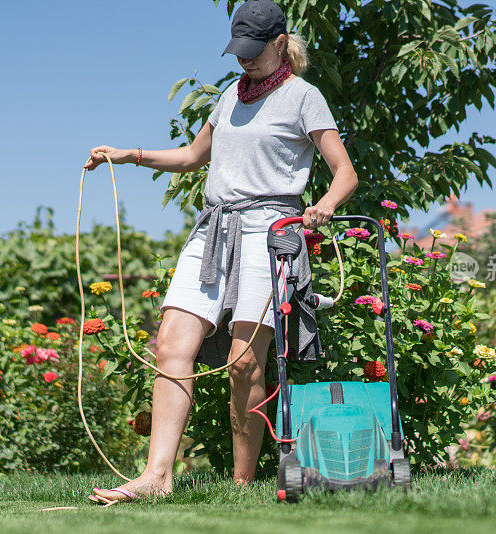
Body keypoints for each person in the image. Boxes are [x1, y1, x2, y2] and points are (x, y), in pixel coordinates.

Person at [86, 0, 357, 504]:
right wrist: (129, 155)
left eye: (255, 52)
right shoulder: (230, 96)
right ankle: (156, 478)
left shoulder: (304, 98)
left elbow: (345, 171)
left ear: (280, 44)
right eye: (239, 51)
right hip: (213, 231)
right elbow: (193, 157)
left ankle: (240, 486)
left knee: (244, 364)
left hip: (269, 229)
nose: (245, 61)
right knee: (170, 343)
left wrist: (323, 205)